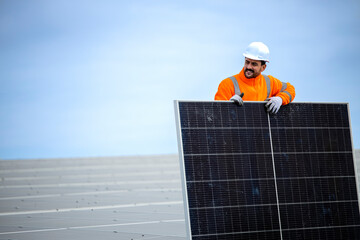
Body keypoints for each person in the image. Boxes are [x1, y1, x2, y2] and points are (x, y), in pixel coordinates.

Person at [215, 42, 295, 113]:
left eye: (254, 64)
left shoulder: (269, 82)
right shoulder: (228, 84)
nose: (249, 67)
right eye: (247, 62)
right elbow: (216, 113)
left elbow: (290, 89)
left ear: (263, 67)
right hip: (237, 130)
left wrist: (280, 99)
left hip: (263, 130)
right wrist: (228, 105)